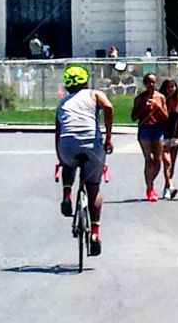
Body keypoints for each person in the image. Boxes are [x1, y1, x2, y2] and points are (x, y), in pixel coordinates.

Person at [55, 64, 114, 256]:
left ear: (67, 86)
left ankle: (67, 195)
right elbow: (109, 107)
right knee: (93, 188)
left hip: (67, 144)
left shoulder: (62, 103)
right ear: (86, 82)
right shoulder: (94, 94)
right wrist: (108, 137)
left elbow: (58, 132)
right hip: (92, 145)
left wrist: (61, 157)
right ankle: (95, 233)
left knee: (68, 165)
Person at [131, 73, 168, 201]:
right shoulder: (140, 98)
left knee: (158, 160)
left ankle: (151, 181)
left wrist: (158, 108)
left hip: (158, 128)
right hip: (145, 128)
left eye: (153, 82)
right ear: (145, 83)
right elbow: (133, 117)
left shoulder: (161, 97)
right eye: (149, 82)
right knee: (149, 159)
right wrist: (143, 108)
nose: (151, 85)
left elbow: (166, 117)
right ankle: (150, 187)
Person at [159, 77, 178, 199]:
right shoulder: (160, 101)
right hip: (163, 135)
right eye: (168, 87)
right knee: (166, 161)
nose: (170, 89)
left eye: (172, 86)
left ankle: (167, 187)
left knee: (172, 163)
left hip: (175, 134)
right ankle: (171, 185)